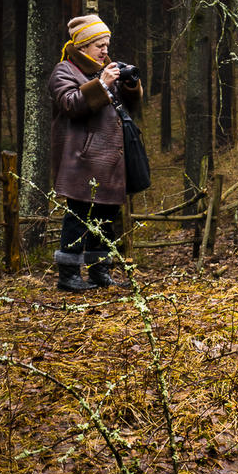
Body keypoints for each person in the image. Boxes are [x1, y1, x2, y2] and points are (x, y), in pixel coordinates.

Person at [49, 15, 143, 292]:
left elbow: (130, 106)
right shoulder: (63, 71)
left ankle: (100, 272)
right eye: (99, 45)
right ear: (82, 46)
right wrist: (101, 83)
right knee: (78, 218)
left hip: (110, 159)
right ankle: (68, 275)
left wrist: (129, 83)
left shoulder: (103, 70)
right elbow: (69, 104)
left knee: (104, 218)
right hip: (82, 159)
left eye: (107, 44)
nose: (105, 51)